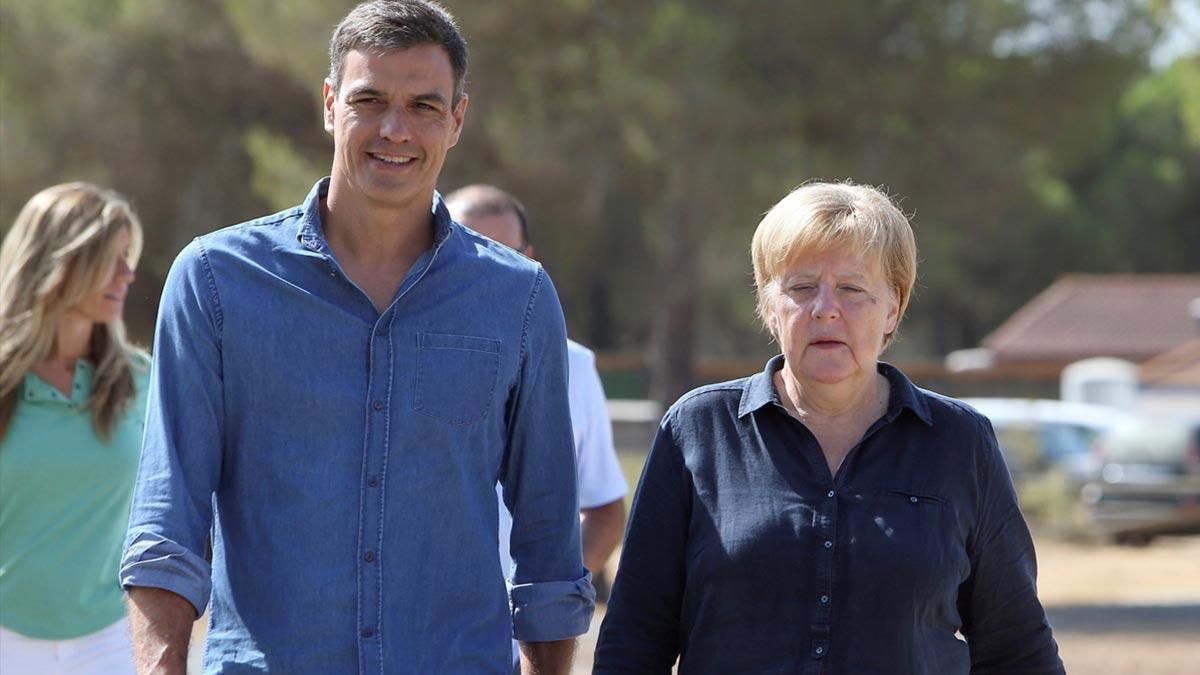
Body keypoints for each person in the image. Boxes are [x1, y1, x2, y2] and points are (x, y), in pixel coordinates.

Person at [119, 2, 593, 673]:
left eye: (424, 106)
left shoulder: (517, 300)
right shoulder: (217, 282)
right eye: (369, 100)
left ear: (457, 119)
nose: (395, 129)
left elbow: (549, 544)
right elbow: (168, 523)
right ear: (329, 104)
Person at [594, 181, 1065, 674]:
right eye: (800, 288)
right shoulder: (697, 431)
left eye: (852, 288)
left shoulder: (959, 443)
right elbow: (634, 641)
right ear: (769, 306)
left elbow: (1017, 651)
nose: (825, 308)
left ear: (893, 309)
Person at [446, 185, 628, 671]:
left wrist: (543, 613)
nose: (483, 266)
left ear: (529, 259)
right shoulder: (404, 361)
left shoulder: (575, 366)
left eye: (501, 251)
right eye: (468, 245)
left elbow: (606, 507)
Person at [0, 183, 148, 675]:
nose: (128, 273)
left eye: (129, 257)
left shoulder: (143, 383)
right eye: (111, 257)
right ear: (59, 261)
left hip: (110, 641)